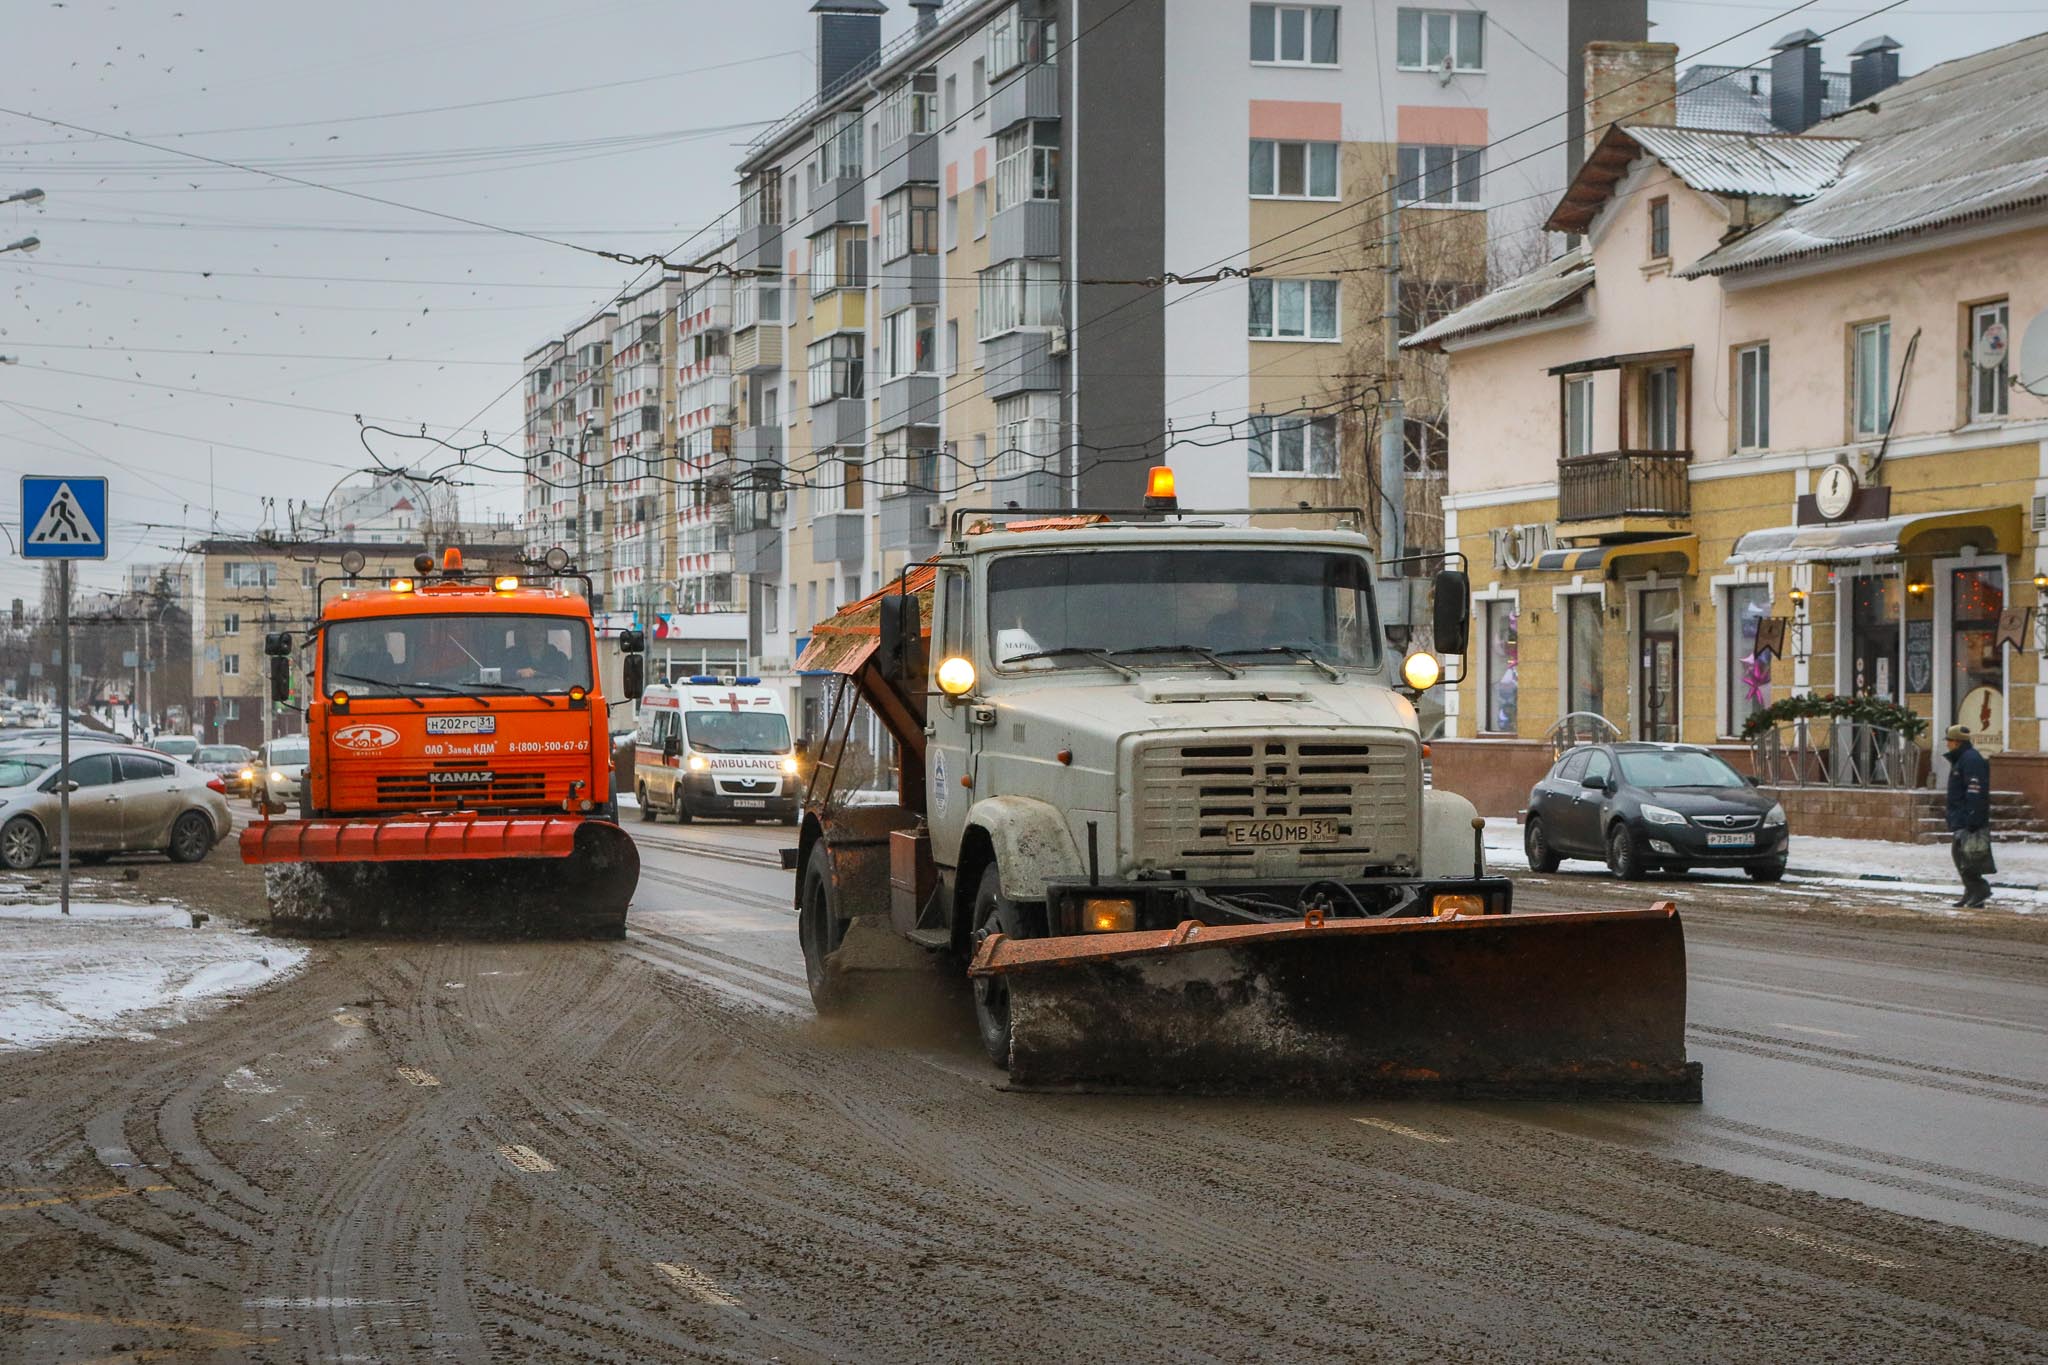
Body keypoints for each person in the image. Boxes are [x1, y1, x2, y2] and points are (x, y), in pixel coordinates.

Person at [1945, 723, 1993, 908]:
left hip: (1968, 817)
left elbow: (1975, 791)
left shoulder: (1970, 760)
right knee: (1963, 855)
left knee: (1966, 856)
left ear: (1956, 742)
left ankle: (1979, 889)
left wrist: (1973, 817)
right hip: (1961, 816)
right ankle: (1972, 892)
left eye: (1949, 741)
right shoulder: (1963, 758)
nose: (1947, 744)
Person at [502, 621, 572, 684]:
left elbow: (567, 683)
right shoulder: (511, 655)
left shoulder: (560, 658)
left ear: (545, 633)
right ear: (525, 633)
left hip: (553, 695)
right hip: (517, 695)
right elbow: (500, 675)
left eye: (540, 629)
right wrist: (518, 673)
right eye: (531, 630)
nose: (537, 634)